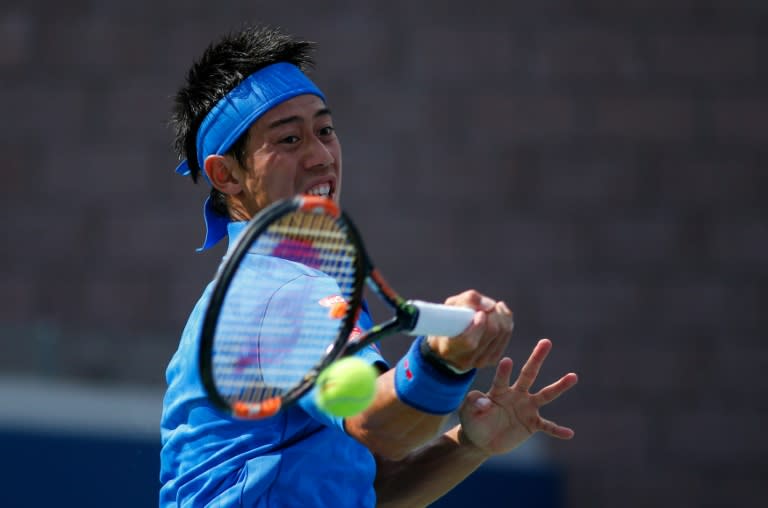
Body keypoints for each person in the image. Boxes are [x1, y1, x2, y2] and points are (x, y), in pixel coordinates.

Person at [160, 24, 578, 507]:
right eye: (290, 139)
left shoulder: (281, 288)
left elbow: (362, 494)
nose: (321, 156)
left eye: (325, 130)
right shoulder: (278, 292)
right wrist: (442, 361)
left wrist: (469, 446)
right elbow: (376, 426)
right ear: (225, 174)